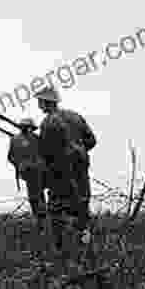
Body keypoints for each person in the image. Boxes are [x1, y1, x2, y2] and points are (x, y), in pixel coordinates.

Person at [37, 86, 96, 248]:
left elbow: (44, 153)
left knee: (57, 210)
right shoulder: (76, 116)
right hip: (81, 169)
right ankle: (85, 244)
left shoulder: (48, 122)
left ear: (45, 102)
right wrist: (79, 152)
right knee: (82, 206)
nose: (38, 104)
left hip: (60, 173)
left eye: (39, 101)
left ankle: (60, 248)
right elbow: (91, 140)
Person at [7, 118, 47, 231]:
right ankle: (41, 222)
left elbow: (11, 157)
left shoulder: (17, 139)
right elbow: (11, 157)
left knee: (36, 197)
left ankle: (42, 221)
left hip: (34, 172)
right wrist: (21, 164)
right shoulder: (34, 139)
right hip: (33, 172)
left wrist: (20, 165)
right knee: (37, 197)